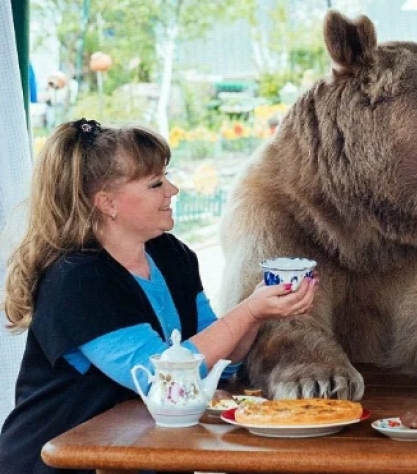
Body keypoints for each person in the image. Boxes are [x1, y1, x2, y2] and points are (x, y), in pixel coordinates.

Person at [0, 119, 318, 474]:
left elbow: (220, 362)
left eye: (167, 176)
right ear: (107, 203)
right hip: (59, 463)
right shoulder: (77, 280)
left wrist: (259, 313)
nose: (173, 189)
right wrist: (246, 311)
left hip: (138, 456)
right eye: (155, 183)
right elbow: (163, 379)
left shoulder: (170, 254)